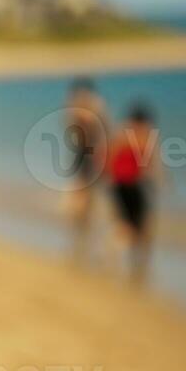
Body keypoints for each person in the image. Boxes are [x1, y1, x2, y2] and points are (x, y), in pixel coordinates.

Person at [106, 101, 164, 284]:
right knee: (140, 228)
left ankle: (114, 259)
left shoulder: (120, 133)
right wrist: (159, 182)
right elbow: (150, 165)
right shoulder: (144, 136)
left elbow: (109, 158)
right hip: (133, 185)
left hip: (117, 185)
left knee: (124, 224)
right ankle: (138, 268)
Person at [60, 77, 110, 263]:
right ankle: (81, 237)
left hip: (91, 156)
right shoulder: (79, 109)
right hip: (84, 156)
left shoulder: (93, 108)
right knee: (83, 198)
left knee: (89, 200)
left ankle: (84, 238)